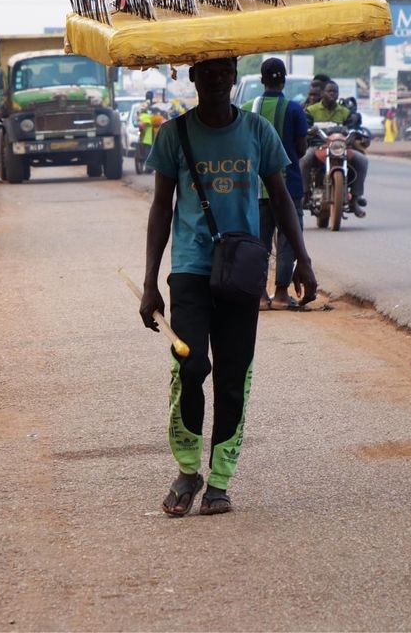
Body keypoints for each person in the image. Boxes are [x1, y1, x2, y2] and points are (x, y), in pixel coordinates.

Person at [140, 56, 317, 517]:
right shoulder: (173, 134)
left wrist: (302, 262)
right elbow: (161, 210)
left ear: (235, 78)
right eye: (208, 73)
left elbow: (282, 199)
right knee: (191, 366)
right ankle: (186, 469)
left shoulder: (258, 131)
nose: (217, 81)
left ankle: (218, 481)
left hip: (240, 274)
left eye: (225, 73)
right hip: (190, 271)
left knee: (233, 377)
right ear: (193, 77)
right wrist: (149, 282)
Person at [240, 58, 312, 310]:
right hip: (288, 185)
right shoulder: (294, 110)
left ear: (262, 80)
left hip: (255, 187)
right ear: (284, 81)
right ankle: (281, 294)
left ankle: (260, 295)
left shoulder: (248, 107)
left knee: (258, 242)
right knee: (287, 239)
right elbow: (302, 148)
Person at [304, 80, 369, 214]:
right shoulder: (311, 110)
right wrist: (309, 131)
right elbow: (305, 126)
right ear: (323, 93)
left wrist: (356, 132)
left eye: (335, 92)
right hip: (318, 147)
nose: (332, 94)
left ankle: (355, 199)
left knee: (362, 161)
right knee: (304, 160)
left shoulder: (345, 112)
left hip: (341, 147)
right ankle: (304, 195)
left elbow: (353, 127)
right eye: (330, 91)